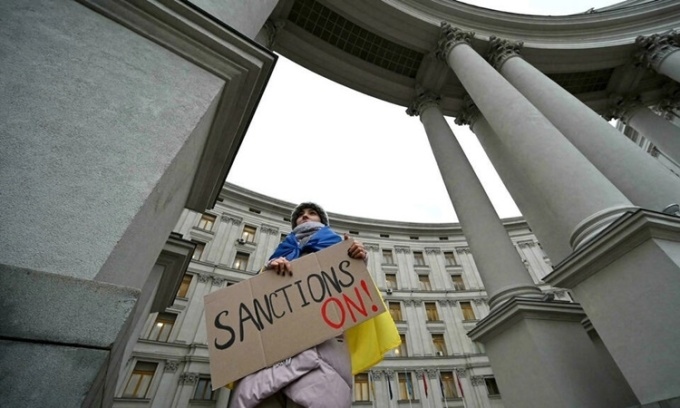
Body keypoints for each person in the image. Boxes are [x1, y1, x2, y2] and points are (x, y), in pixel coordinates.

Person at [229, 202, 371, 408]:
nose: (305, 216)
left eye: (312, 213)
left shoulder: (340, 246)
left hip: (324, 350)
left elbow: (353, 288)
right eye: (301, 214)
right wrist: (269, 273)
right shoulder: (281, 252)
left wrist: (358, 260)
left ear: (322, 221)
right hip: (276, 351)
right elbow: (258, 306)